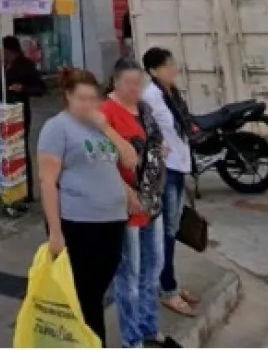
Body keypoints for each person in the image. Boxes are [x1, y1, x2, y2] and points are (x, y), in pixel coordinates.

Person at [37, 68, 136, 347]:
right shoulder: (57, 128)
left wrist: (106, 128)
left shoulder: (99, 126)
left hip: (112, 220)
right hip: (80, 222)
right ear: (68, 96)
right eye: (82, 99)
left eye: (93, 99)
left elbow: (128, 160)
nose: (88, 105)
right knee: (86, 295)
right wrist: (55, 232)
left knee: (98, 289)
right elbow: (47, 182)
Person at [103, 58, 175, 350]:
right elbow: (100, 162)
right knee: (129, 278)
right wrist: (126, 192)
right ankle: (131, 340)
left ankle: (149, 327)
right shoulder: (105, 113)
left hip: (151, 202)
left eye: (139, 83)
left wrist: (159, 151)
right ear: (116, 82)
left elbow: (155, 142)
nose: (135, 89)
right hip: (126, 207)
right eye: (129, 83)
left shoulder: (143, 109)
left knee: (153, 268)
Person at [142, 47, 200, 318]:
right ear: (153, 71)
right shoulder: (150, 96)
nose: (173, 68)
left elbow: (181, 129)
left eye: (173, 63)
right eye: (167, 65)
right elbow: (148, 132)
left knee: (172, 229)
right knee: (166, 231)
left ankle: (169, 282)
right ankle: (168, 288)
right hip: (166, 170)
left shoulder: (172, 93)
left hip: (179, 165)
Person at [0, 35, 47, 201]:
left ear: (11, 51)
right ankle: (2, 185)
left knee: (19, 149)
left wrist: (23, 88)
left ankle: (25, 190)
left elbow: (40, 89)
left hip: (18, 111)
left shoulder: (26, 65)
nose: (1, 53)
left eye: (4, 50)